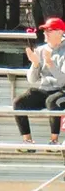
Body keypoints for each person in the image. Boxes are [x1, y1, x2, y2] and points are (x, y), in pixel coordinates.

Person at [15, 17, 65, 145]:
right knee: (19, 102)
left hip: (62, 91)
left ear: (60, 32)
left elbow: (63, 82)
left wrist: (50, 64)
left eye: (49, 30)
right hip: (45, 90)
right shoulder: (40, 50)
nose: (45, 33)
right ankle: (27, 141)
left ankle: (54, 141)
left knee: (52, 101)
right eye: (44, 30)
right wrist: (35, 64)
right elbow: (32, 79)